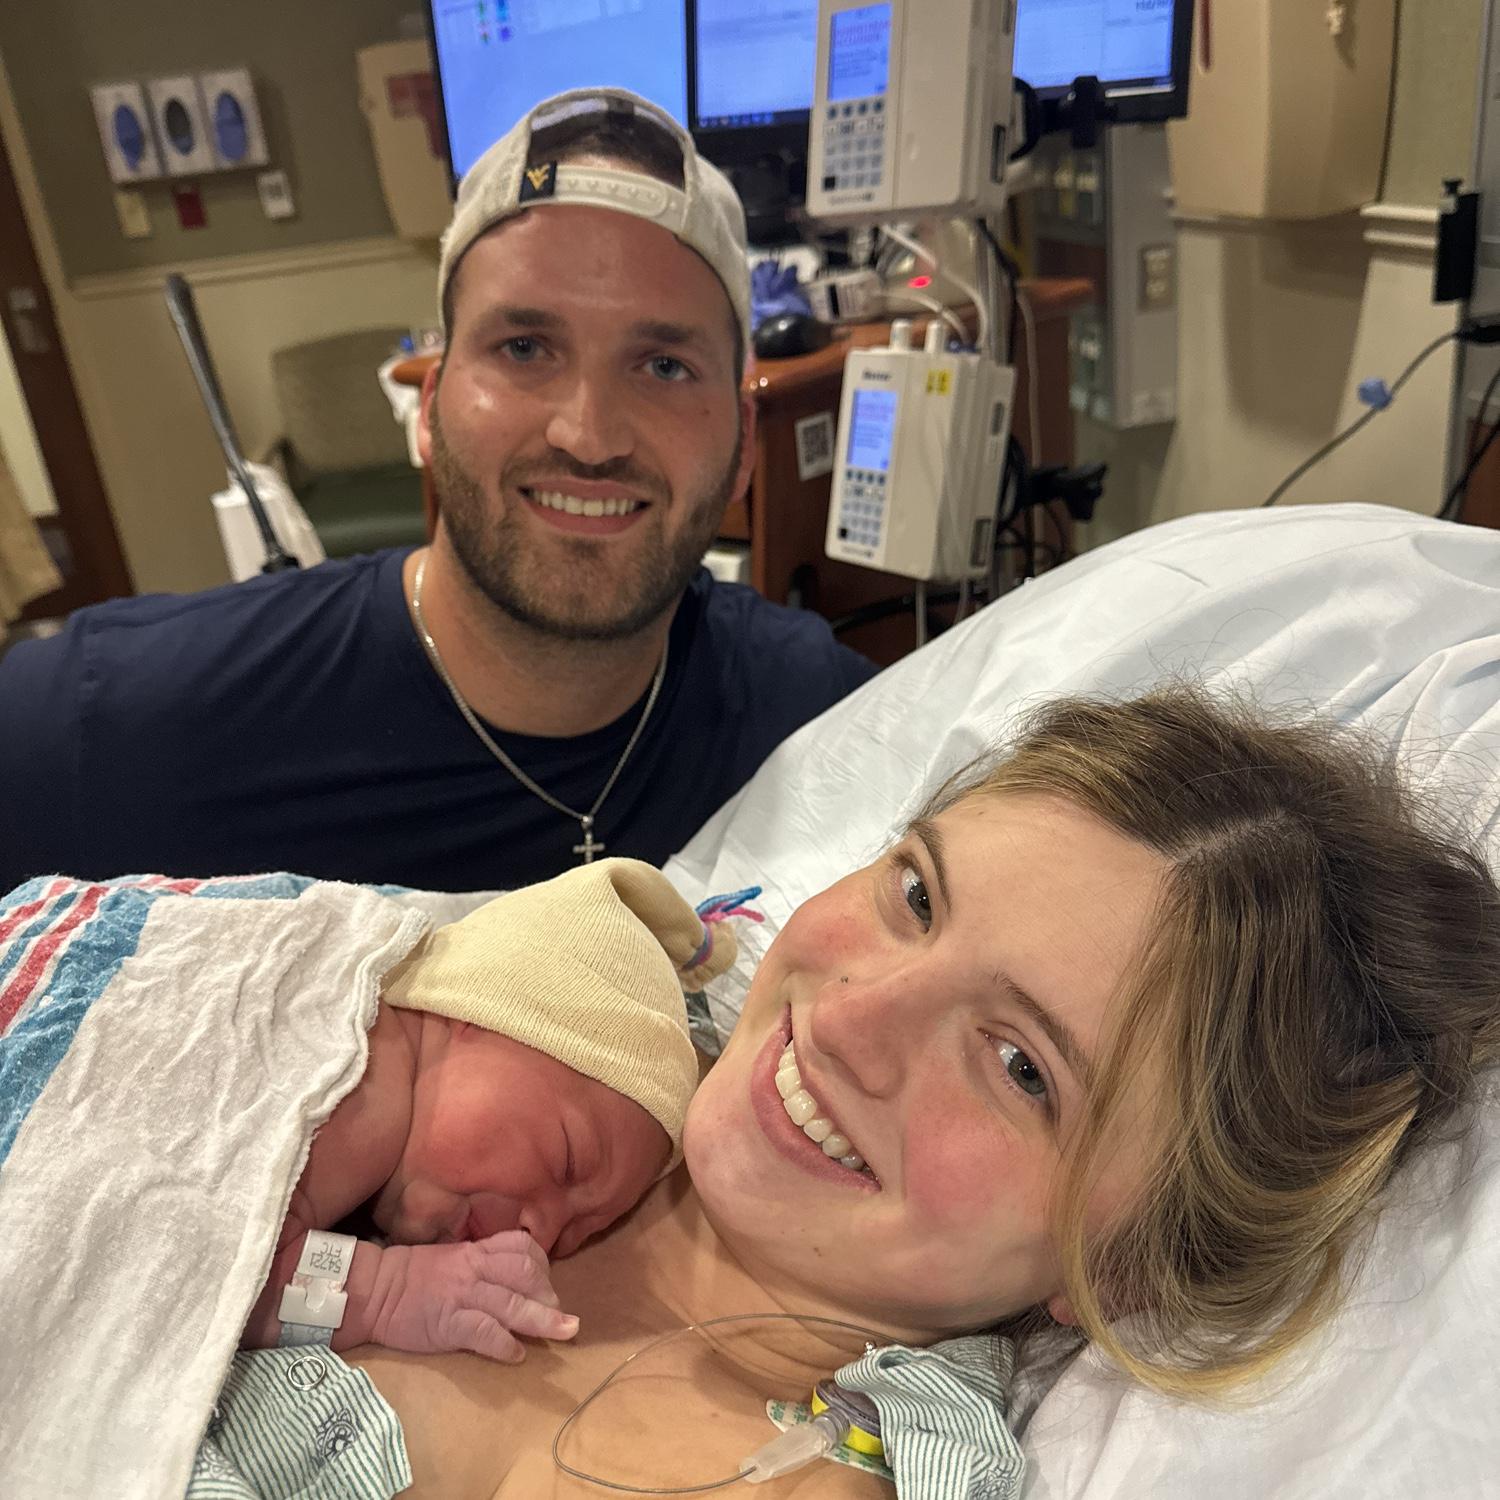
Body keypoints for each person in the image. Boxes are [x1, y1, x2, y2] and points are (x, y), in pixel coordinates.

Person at [330, 688, 1500, 1496]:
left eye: (1022, 1067)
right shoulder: (545, 1025)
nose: (848, 1019)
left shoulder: (797, 1476)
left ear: (1125, 1267)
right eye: (918, 897)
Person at [0, 88, 876, 895]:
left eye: (664, 366)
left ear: (743, 447)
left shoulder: (818, 724)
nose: (589, 435)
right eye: (525, 348)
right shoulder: (108, 729)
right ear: (428, 410)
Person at [239, 858, 735, 1364]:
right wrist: (387, 1291)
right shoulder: (364, 1080)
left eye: (577, 1232)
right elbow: (226, 1275)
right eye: (567, 1160)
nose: (541, 1232)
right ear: (476, 1015)